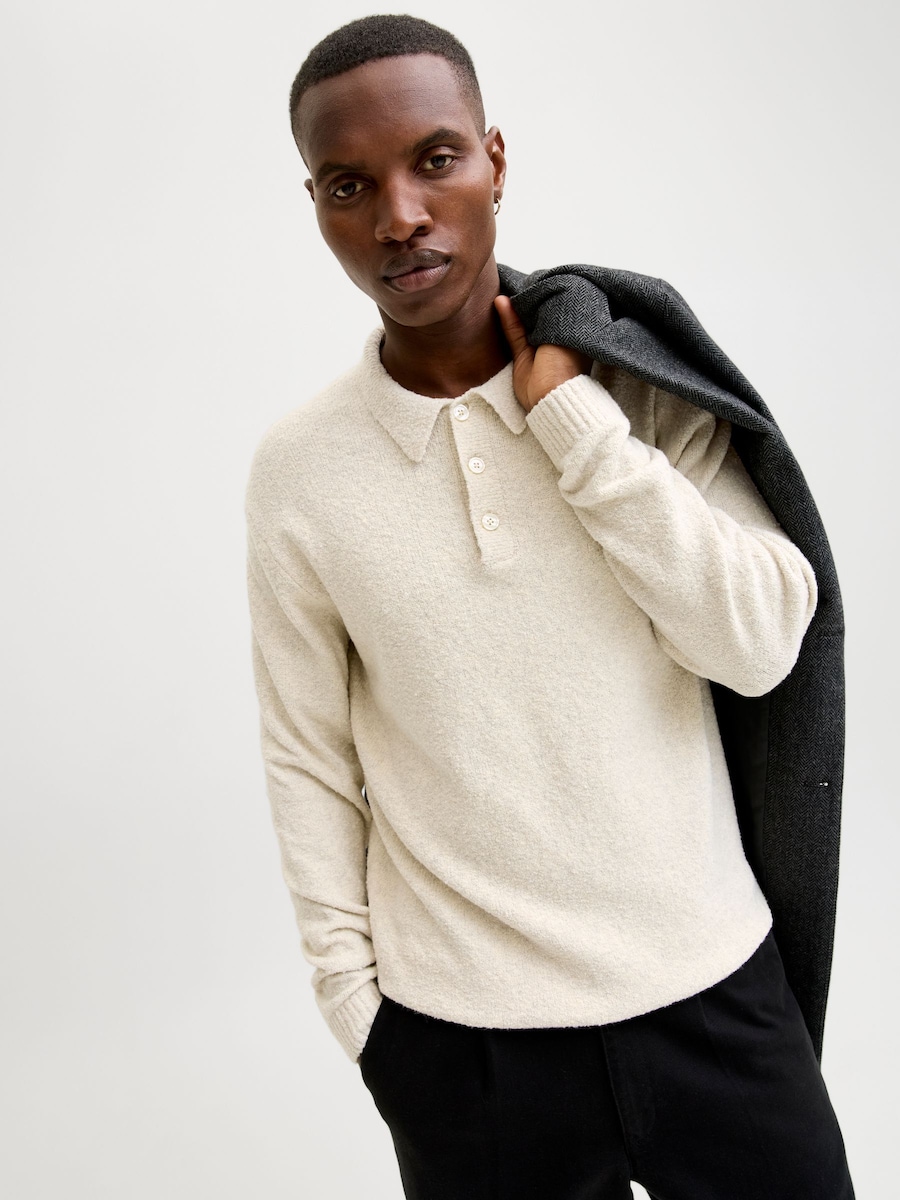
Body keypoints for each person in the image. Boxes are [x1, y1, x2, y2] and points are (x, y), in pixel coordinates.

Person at [245, 14, 855, 1199]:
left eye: (434, 161)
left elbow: (761, 645)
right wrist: (360, 1012)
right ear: (316, 206)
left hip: (711, 990)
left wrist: (576, 425)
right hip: (463, 1046)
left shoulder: (639, 388)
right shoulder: (299, 473)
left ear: (495, 162)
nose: (400, 217)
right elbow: (306, 754)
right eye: (349, 185)